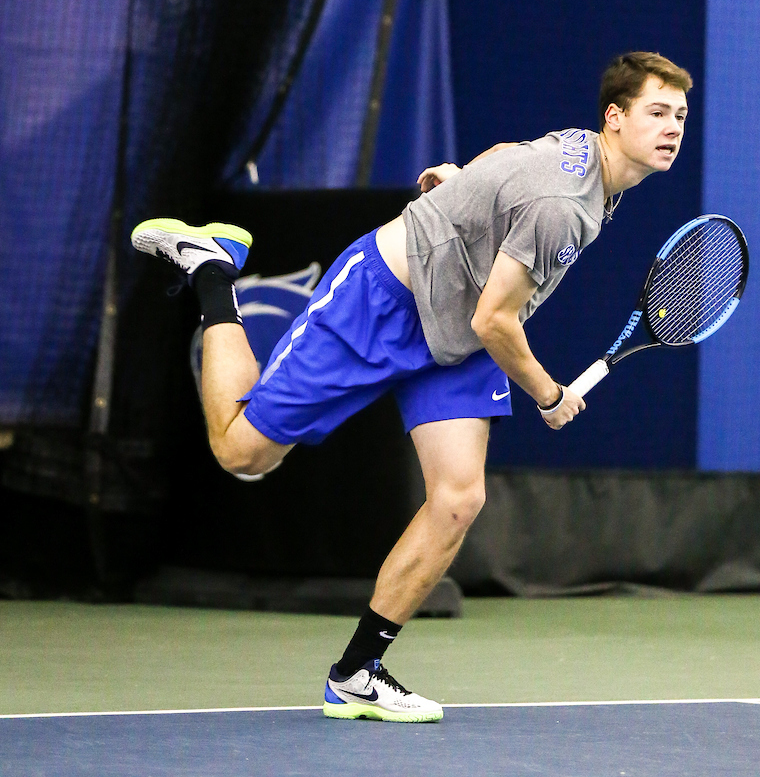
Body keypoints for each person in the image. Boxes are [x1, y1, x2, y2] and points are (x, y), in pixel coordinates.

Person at [131, 50, 691, 723]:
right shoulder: (564, 207)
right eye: (656, 113)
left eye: (680, 116)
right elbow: (496, 320)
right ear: (615, 117)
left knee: (458, 498)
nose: (671, 129)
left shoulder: (591, 164)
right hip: (386, 298)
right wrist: (547, 393)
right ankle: (211, 269)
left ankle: (357, 672)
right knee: (243, 452)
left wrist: (463, 184)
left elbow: (513, 154)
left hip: (455, 334)